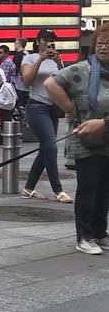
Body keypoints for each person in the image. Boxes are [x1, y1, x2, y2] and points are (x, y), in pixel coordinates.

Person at [44, 23, 109, 254]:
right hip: (85, 139)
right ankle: (84, 236)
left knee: (105, 189)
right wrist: (68, 106)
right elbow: (51, 83)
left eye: (108, 45)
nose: (104, 48)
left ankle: (100, 232)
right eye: (100, 44)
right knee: (89, 188)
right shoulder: (81, 69)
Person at [19, 27, 71, 203]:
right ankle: (58, 190)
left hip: (53, 109)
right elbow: (26, 81)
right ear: (37, 41)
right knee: (51, 147)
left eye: (51, 39)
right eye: (45, 39)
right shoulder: (30, 57)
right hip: (36, 107)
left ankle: (29, 188)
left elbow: (66, 82)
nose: (48, 42)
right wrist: (40, 59)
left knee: (46, 148)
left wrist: (59, 64)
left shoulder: (56, 59)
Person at [0, 44, 20, 137]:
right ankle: (6, 132)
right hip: (8, 91)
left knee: (4, 113)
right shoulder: (2, 63)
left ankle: (5, 133)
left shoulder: (6, 63)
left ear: (7, 53)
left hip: (5, 92)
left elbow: (2, 79)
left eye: (1, 53)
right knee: (4, 113)